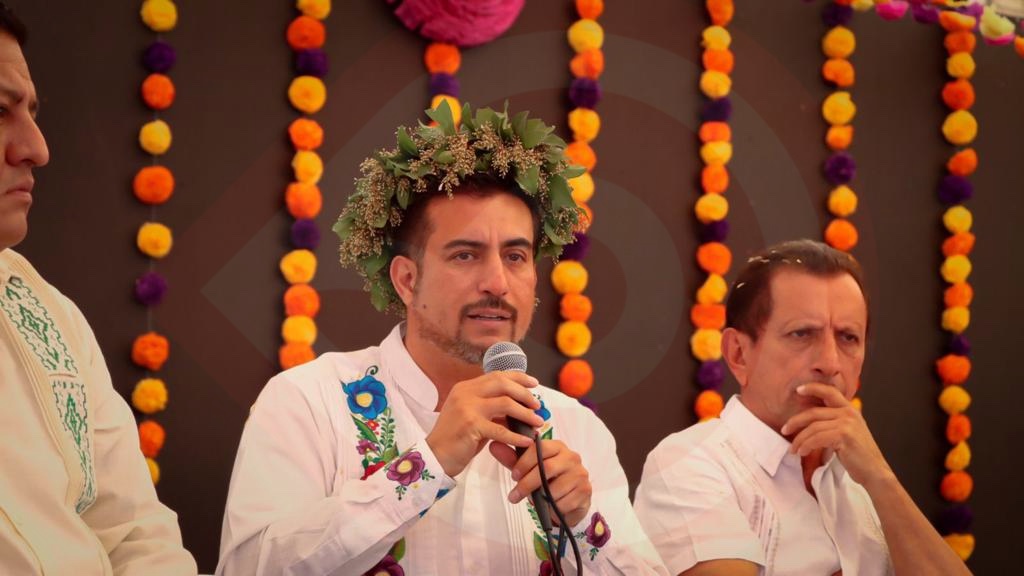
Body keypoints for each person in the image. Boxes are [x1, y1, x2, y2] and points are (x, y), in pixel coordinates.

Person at [217, 104, 666, 575]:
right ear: (407, 280)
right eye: (465, 255)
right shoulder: (309, 400)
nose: (498, 282)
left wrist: (581, 523)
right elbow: (247, 568)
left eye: (516, 256)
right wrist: (426, 465)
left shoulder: (575, 426)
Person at [634, 239, 971, 576]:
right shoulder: (689, 464)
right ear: (738, 353)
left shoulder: (861, 479)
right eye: (801, 334)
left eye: (848, 337)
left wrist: (880, 478)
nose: (830, 363)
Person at [0, 4, 197, 574]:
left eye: (31, 113)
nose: (37, 148)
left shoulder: (48, 313)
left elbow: (134, 532)